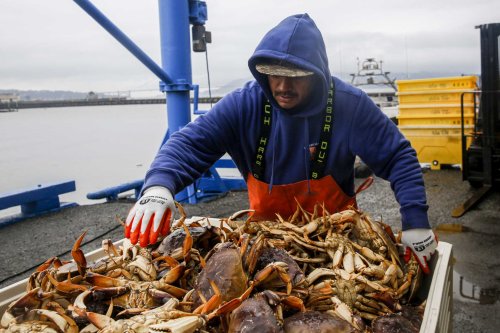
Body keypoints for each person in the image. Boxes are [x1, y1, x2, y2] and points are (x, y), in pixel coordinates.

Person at [125, 13, 437, 273]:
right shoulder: (244, 104)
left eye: (296, 75)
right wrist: (159, 186)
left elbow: (398, 156)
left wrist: (415, 221)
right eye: (274, 73)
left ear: (317, 74)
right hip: (265, 242)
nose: (283, 86)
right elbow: (190, 144)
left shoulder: (348, 105)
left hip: (339, 241)